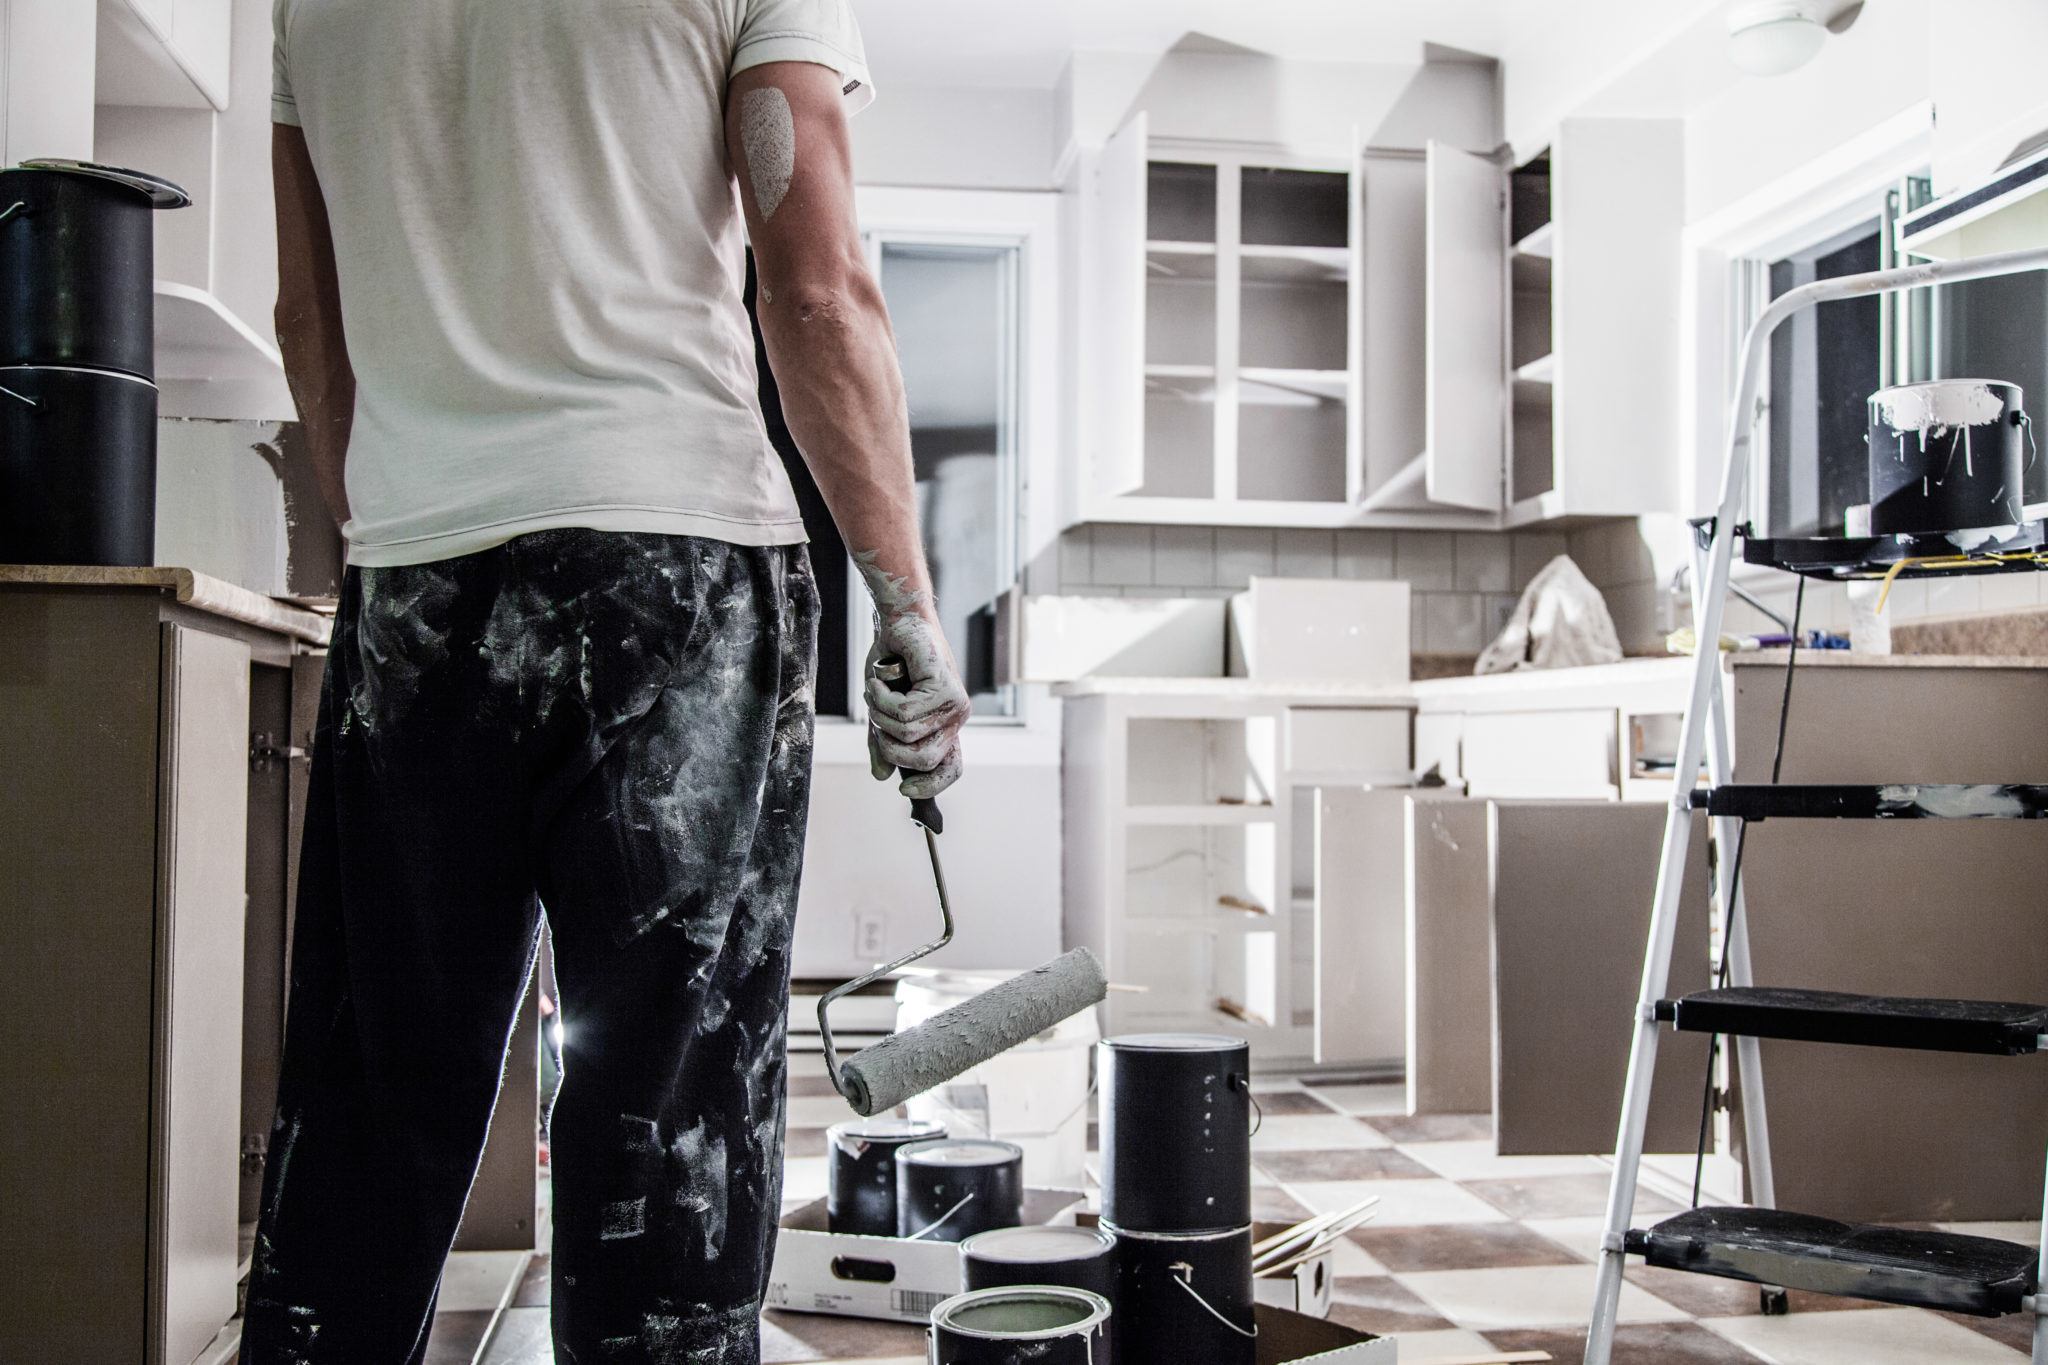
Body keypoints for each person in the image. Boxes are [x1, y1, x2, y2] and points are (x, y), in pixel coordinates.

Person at [248, 2, 969, 1361]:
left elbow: (307, 319)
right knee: (665, 1142)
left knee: (366, 1125)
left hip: (416, 586)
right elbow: (814, 289)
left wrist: (401, 535)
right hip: (676, 578)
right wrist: (907, 602)